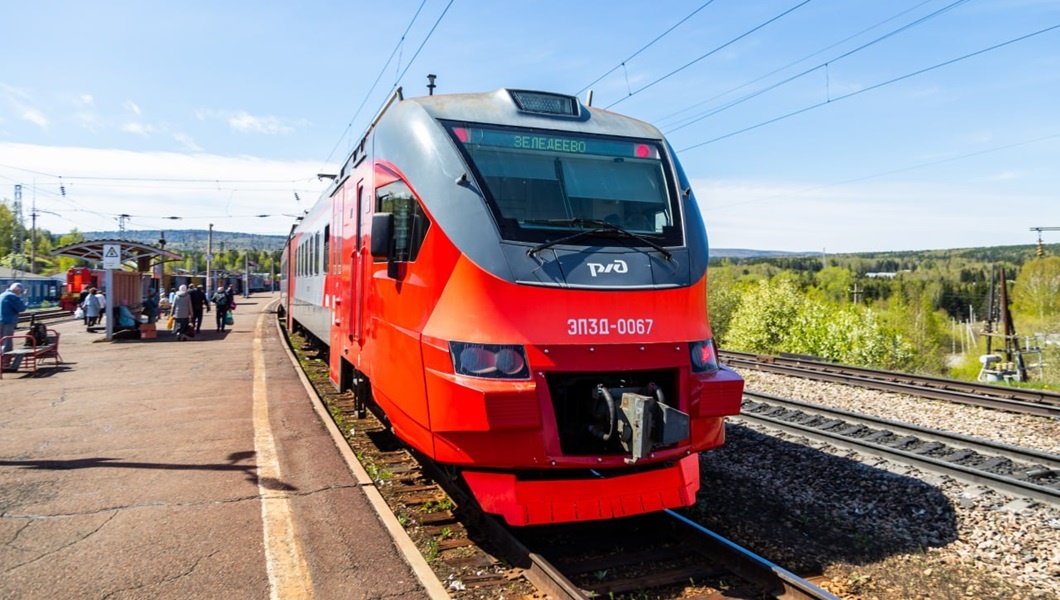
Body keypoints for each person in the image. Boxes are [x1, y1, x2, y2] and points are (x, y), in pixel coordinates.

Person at [0, 283, 28, 371]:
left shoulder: (2, 295)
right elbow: (21, 308)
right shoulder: (12, 296)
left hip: (1, 320)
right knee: (6, 342)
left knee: (1, 341)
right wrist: (25, 301)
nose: (20, 293)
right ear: (18, 290)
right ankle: (5, 364)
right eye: (20, 292)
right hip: (7, 322)